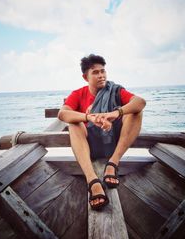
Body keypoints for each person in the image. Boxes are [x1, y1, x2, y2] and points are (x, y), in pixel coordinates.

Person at [58, 54, 146, 210]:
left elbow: (140, 102)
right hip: (89, 145)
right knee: (74, 124)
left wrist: (115, 113)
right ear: (86, 77)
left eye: (103, 71)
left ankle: (113, 164)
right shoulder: (78, 94)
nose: (101, 75)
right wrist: (89, 117)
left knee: (135, 112)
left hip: (114, 143)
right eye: (95, 72)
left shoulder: (115, 90)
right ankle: (92, 181)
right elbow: (62, 114)